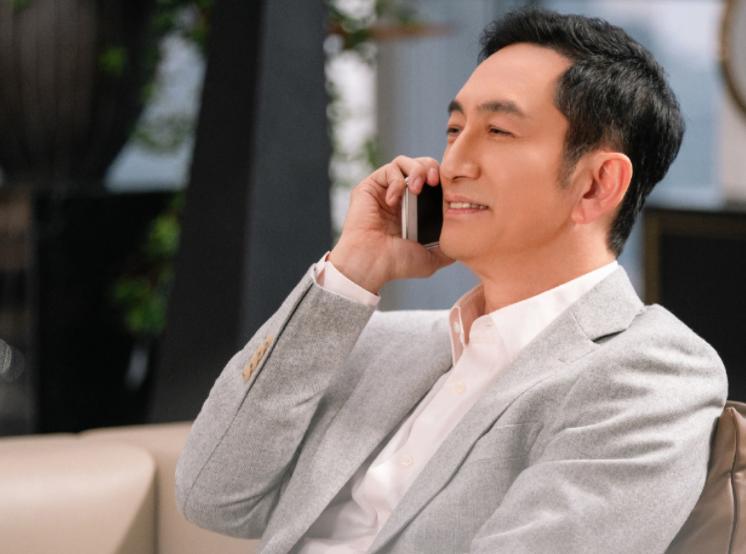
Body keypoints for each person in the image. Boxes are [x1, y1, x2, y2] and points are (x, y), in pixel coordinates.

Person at [175, 8, 727, 553]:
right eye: (454, 129)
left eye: (499, 130)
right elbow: (212, 496)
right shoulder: (381, 341)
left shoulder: (649, 374)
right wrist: (349, 273)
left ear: (596, 185)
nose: (453, 163)